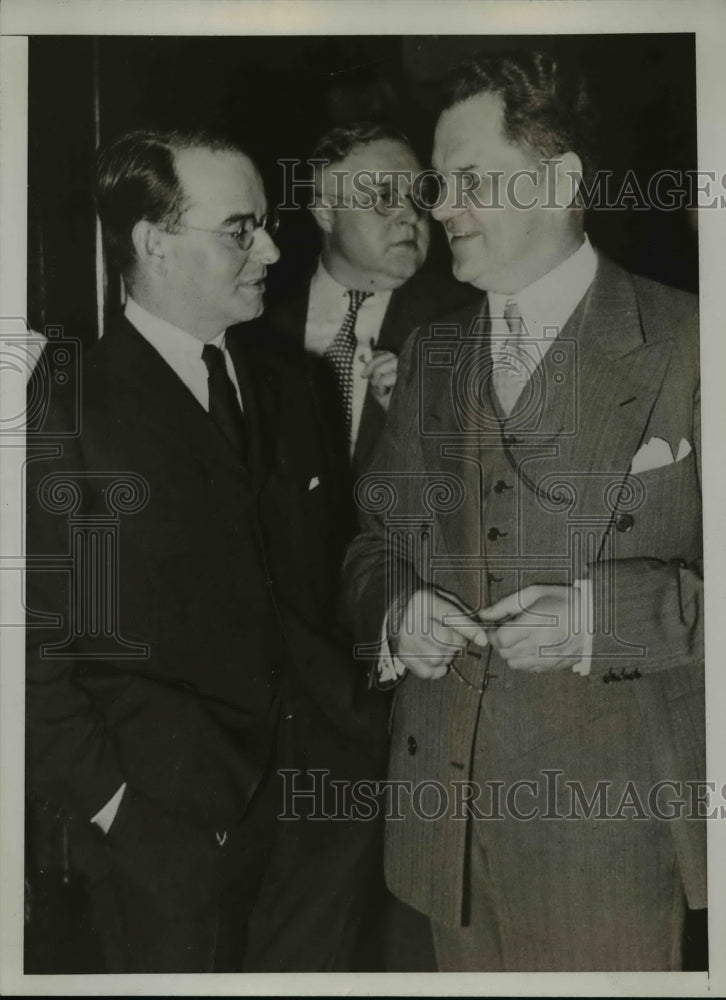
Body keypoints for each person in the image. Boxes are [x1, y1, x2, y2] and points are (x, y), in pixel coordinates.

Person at [342, 50, 705, 971]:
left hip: (616, 842)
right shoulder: (431, 354)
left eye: (470, 181)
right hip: (445, 835)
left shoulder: (693, 341)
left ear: (562, 181)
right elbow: (372, 543)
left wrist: (600, 619)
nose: (440, 208)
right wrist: (396, 610)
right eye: (439, 183)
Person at [25, 126, 387, 973]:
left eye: (263, 223)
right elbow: (28, 641)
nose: (268, 247)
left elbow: (323, 577)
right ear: (154, 243)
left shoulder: (294, 387)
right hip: (166, 831)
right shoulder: (62, 405)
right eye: (238, 229)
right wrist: (112, 804)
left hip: (322, 817)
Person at [263, 122, 478, 505]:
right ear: (326, 213)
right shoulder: (258, 325)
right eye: (384, 196)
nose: (411, 214)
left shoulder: (470, 320)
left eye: (418, 196)